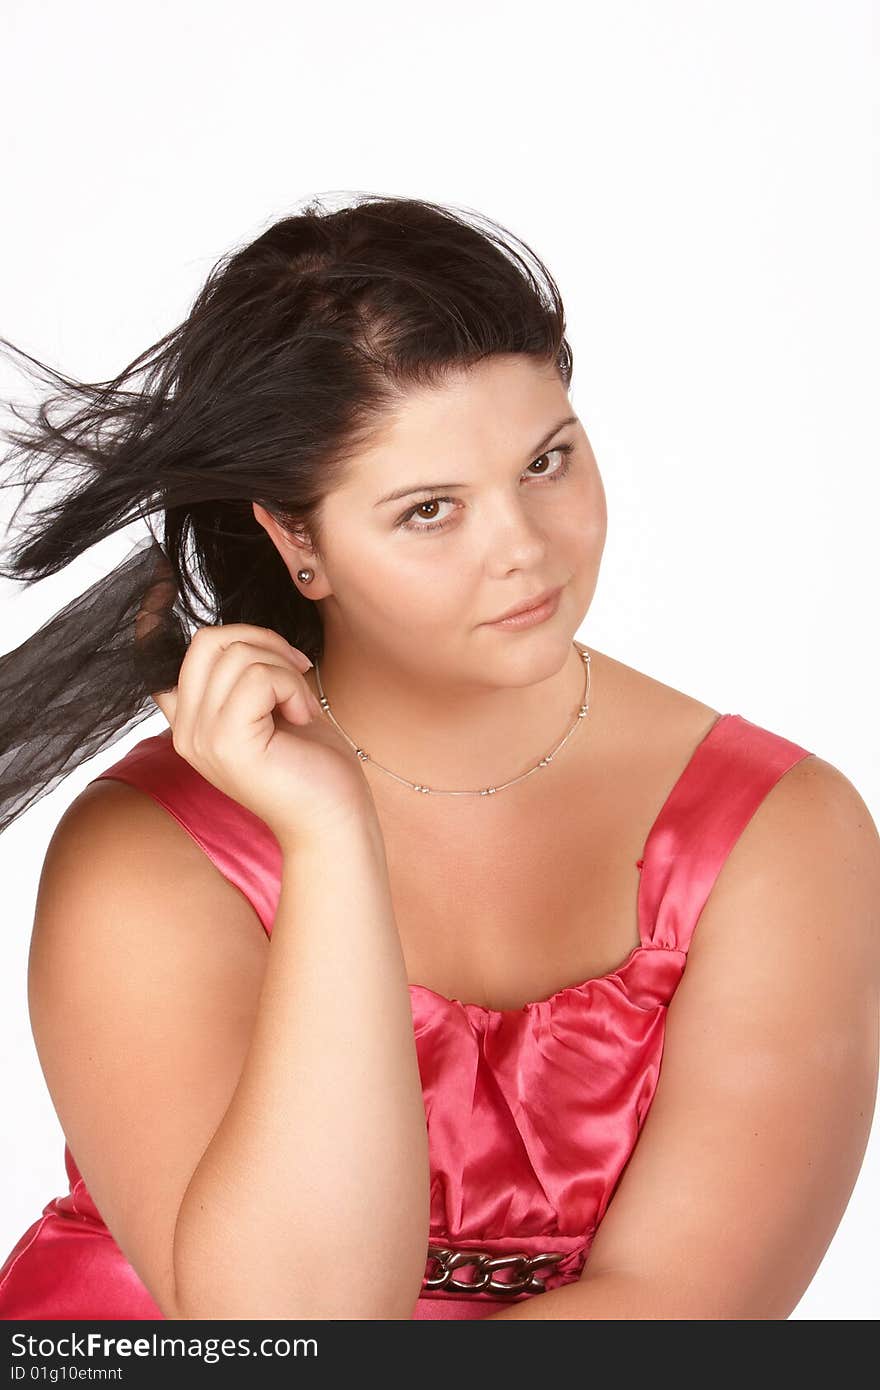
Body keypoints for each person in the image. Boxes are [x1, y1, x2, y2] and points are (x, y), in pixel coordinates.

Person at [0, 194, 877, 1321]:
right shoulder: (151, 851)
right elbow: (281, 1332)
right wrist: (328, 841)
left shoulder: (774, 831)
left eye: (547, 461)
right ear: (296, 538)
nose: (522, 548)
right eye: (428, 511)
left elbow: (680, 1308)